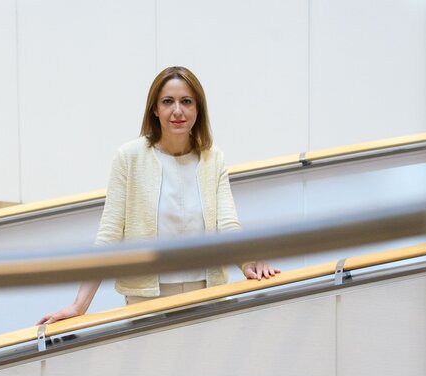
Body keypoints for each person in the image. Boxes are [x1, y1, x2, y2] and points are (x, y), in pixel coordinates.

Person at [37, 66, 278, 325]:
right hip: (146, 300)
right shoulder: (129, 158)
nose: (177, 110)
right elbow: (109, 235)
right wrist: (79, 305)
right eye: (167, 102)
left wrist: (249, 261)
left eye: (186, 101)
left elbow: (229, 225)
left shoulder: (213, 158)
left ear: (198, 109)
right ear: (155, 109)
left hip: (208, 294)